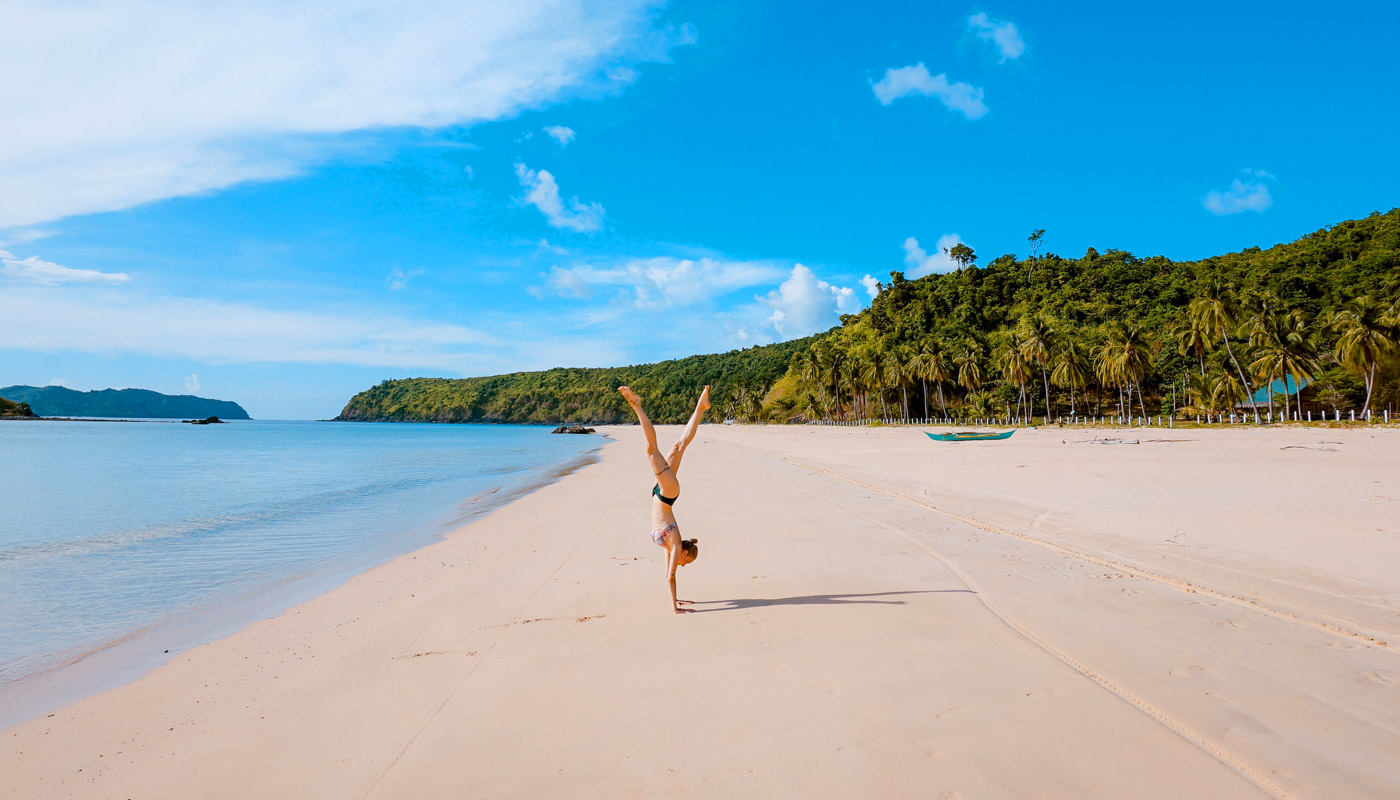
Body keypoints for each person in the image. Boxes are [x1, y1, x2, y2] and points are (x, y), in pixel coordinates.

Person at [618, 384, 709, 614]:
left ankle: (701, 407)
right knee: (651, 450)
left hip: (661, 492)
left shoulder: (671, 547)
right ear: (685, 553)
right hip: (667, 493)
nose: (682, 564)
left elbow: (666, 576)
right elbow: (671, 577)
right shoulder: (676, 545)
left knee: (679, 445)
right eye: (686, 562)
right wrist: (674, 608)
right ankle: (637, 406)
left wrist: (676, 601)